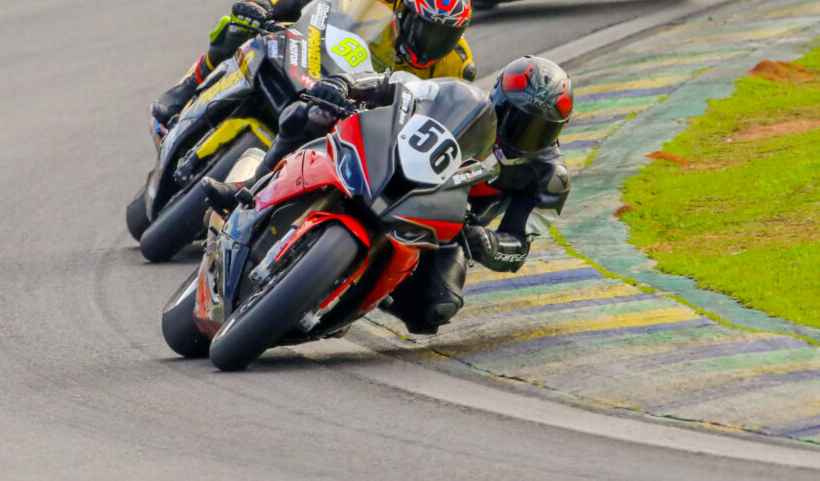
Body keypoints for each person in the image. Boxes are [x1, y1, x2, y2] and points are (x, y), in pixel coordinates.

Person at [204, 55, 574, 336]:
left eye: (539, 130)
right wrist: (346, 84)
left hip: (446, 226)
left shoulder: (548, 178)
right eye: (518, 119)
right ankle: (249, 186)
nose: (523, 134)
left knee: (434, 309)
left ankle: (345, 300)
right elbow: (398, 85)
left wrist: (487, 243)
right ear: (499, 99)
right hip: (391, 164)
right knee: (309, 115)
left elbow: (518, 246)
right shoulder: (463, 98)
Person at [151, 0, 476, 126]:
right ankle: (189, 86)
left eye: (443, 36)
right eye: (423, 28)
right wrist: (264, 4)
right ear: (403, 10)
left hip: (364, 123)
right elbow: (310, 1)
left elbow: (445, 121)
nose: (430, 42)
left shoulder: (459, 66)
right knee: (239, 26)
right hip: (317, 69)